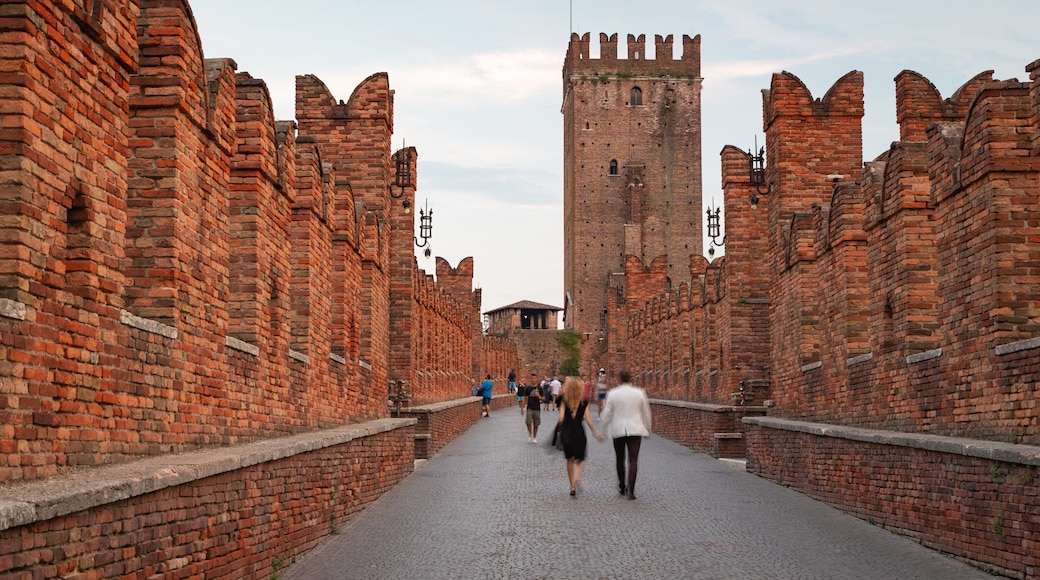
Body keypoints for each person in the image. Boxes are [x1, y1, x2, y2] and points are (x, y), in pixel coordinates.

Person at [599, 369, 651, 500]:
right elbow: (646, 412)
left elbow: (606, 414)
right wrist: (647, 429)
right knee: (633, 460)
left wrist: (602, 430)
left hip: (618, 429)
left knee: (620, 459)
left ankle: (622, 486)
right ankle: (631, 490)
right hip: (635, 429)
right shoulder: (639, 393)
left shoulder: (613, 394)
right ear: (631, 379)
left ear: (619, 379)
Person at [557, 377, 603, 496]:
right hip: (579, 432)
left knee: (569, 459)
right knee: (580, 458)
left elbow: (561, 418)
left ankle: (572, 485)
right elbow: (588, 419)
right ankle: (577, 478)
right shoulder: (584, 402)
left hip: (567, 431)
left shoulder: (564, 400)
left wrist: (559, 429)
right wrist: (595, 432)